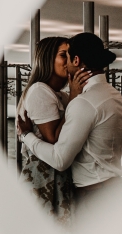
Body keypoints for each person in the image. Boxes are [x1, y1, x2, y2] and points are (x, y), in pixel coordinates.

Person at [17, 32, 122, 213]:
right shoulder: (114, 96)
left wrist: (26, 136)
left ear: (76, 61)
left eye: (67, 56)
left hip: (96, 198)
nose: (66, 62)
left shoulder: (83, 103)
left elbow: (60, 159)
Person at [17, 36, 91, 221]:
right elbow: (55, 140)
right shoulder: (39, 90)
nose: (68, 60)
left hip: (58, 174)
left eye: (70, 54)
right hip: (43, 177)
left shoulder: (61, 96)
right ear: (47, 59)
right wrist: (74, 96)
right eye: (62, 55)